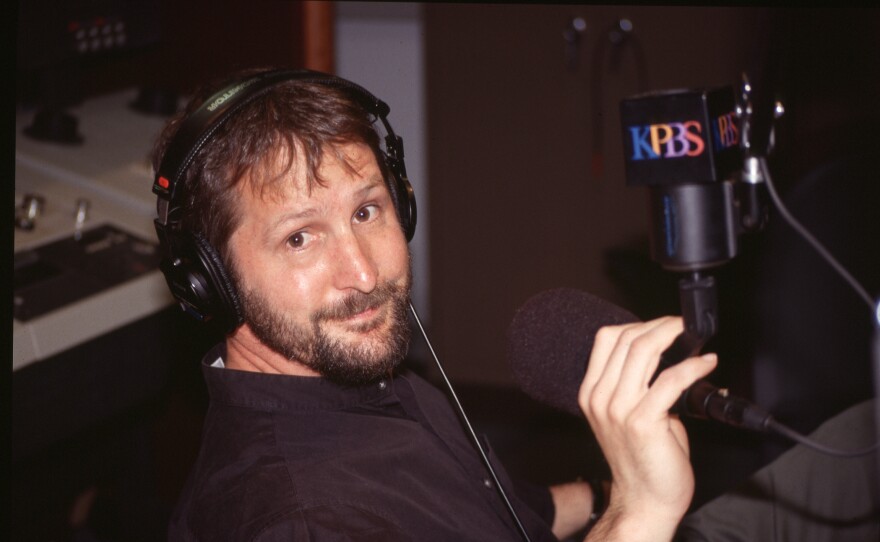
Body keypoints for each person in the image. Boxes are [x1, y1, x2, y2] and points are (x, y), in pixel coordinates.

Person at [152, 68, 877, 541]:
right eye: (301, 237)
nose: (363, 272)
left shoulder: (359, 378)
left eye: (368, 211)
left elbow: (500, 511)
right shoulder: (298, 518)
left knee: (862, 443)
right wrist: (640, 510)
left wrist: (599, 495)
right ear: (209, 280)